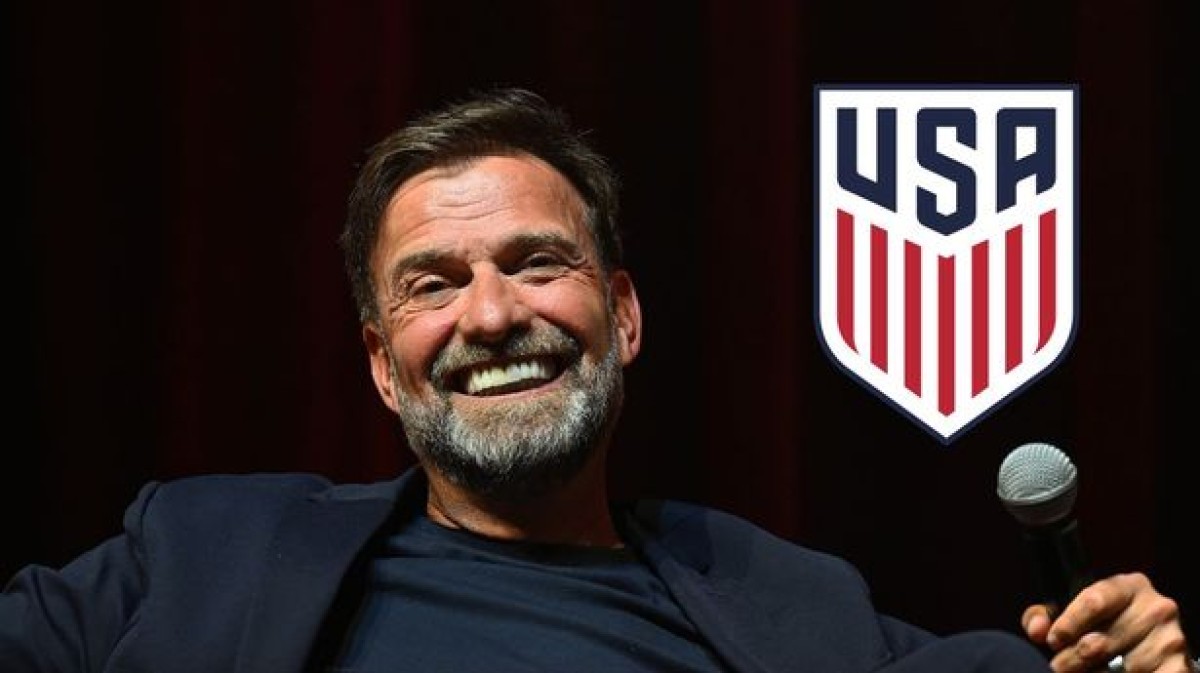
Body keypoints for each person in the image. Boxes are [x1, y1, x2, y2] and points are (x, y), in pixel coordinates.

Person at [1, 86, 1193, 673]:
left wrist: (1141, 657)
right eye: (433, 283)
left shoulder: (801, 609)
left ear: (621, 315)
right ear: (380, 363)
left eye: (536, 263)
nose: (492, 314)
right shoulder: (198, 551)